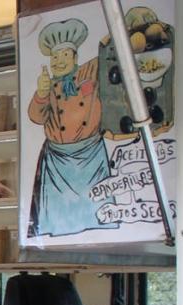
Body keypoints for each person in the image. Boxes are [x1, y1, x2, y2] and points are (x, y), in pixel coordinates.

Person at [26, 18, 114, 238]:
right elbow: (36, 117)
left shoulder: (89, 71)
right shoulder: (48, 87)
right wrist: (41, 94)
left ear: (75, 57)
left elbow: (110, 55)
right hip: (58, 162)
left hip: (91, 157)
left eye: (64, 55)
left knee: (98, 215)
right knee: (57, 222)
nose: (59, 61)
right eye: (54, 57)